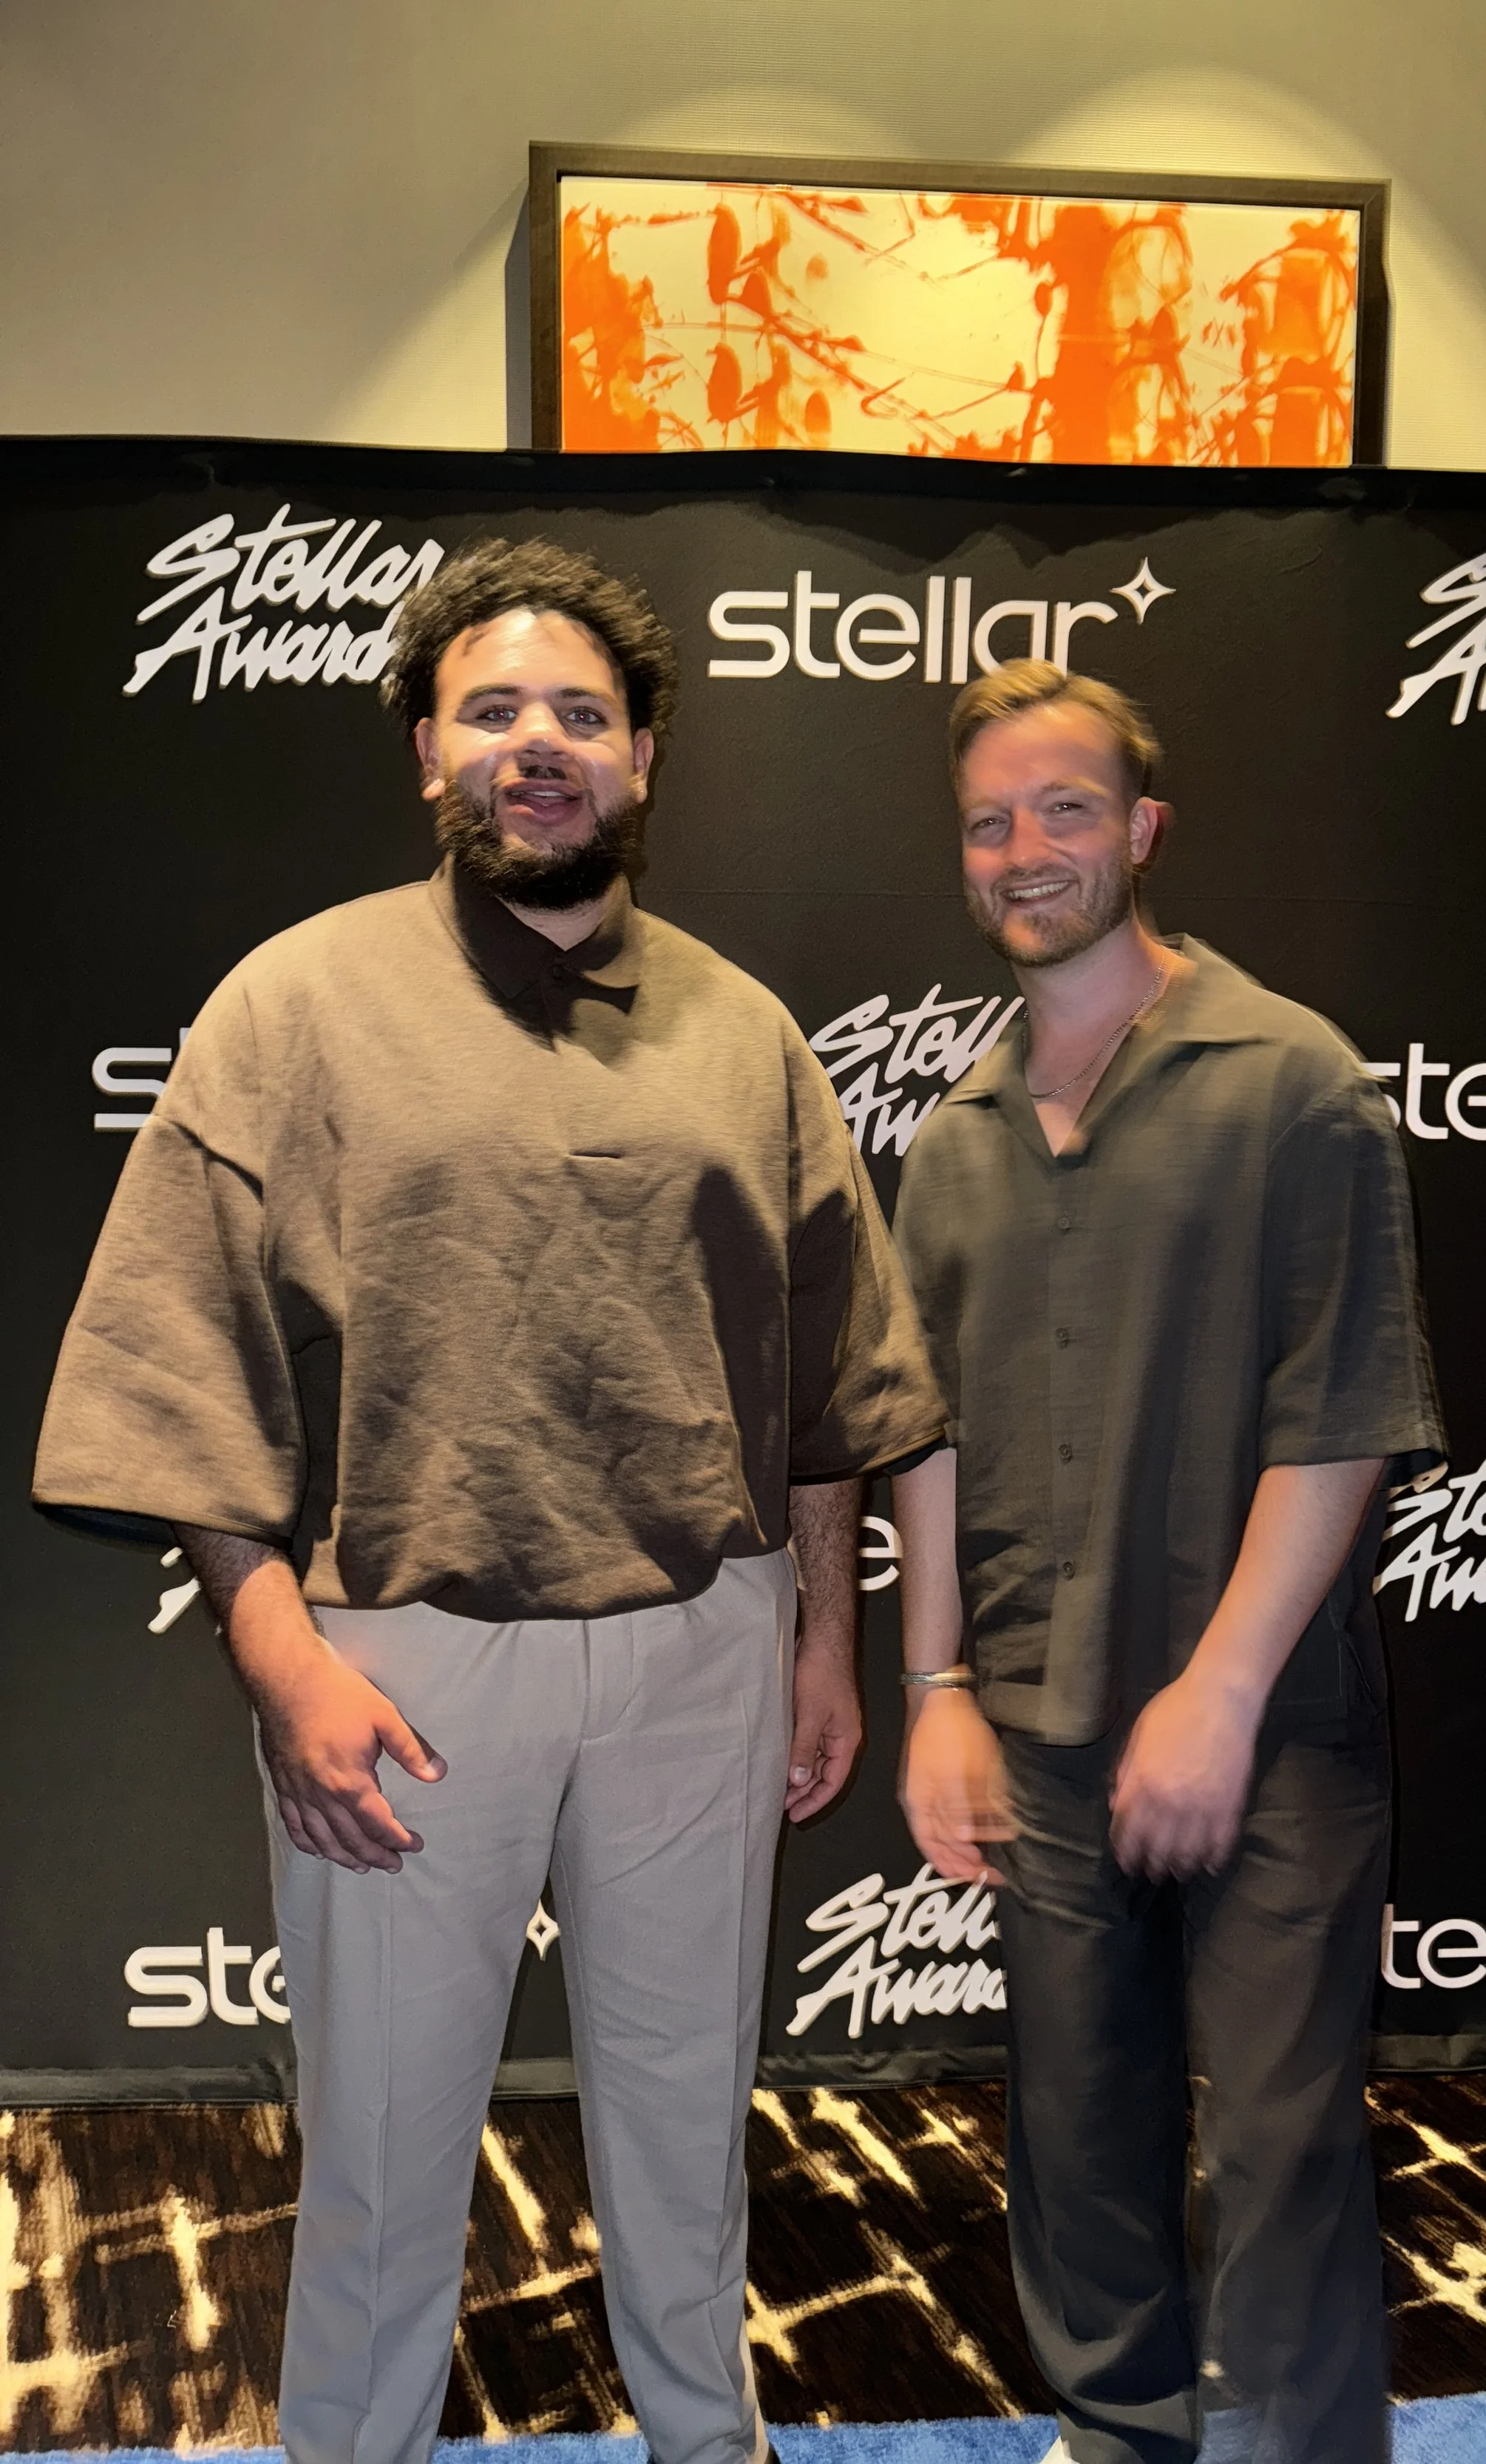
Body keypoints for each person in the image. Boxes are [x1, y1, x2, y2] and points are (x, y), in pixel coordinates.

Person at [33, 537, 944, 2464]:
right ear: (427, 752)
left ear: (642, 754)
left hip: (703, 1654)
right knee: (378, 2146)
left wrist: (824, 1636)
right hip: (401, 1671)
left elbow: (835, 1369)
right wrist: (283, 1664)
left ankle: (715, 2443)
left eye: (581, 713)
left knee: (685, 2122)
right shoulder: (291, 1009)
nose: (540, 743)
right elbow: (173, 1366)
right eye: (494, 708)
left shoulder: (742, 1032)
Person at [889, 661, 1444, 2464]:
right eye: (989, 820)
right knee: (1074, 2126)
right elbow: (929, 1440)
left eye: (1062, 809)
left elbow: (1345, 1408)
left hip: (1264, 1729)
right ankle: (1117, 2433)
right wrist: (937, 1690)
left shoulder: (1292, 1078)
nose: (1023, 848)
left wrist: (1214, 1692)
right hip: (1035, 1726)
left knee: (1278, 2142)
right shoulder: (953, 1139)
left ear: (1141, 829)